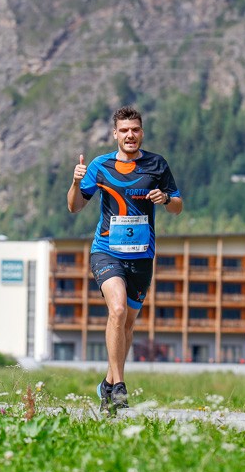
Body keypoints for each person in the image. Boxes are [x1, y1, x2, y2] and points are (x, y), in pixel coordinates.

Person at [67, 105, 182, 413]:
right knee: (116, 310)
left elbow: (177, 206)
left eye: (135, 130)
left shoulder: (157, 164)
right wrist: (76, 182)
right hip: (106, 251)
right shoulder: (100, 165)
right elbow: (74, 207)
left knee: (127, 324)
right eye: (124, 130)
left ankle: (107, 384)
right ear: (115, 134)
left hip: (142, 256)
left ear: (141, 132)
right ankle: (119, 386)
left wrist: (165, 199)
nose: (130, 135)